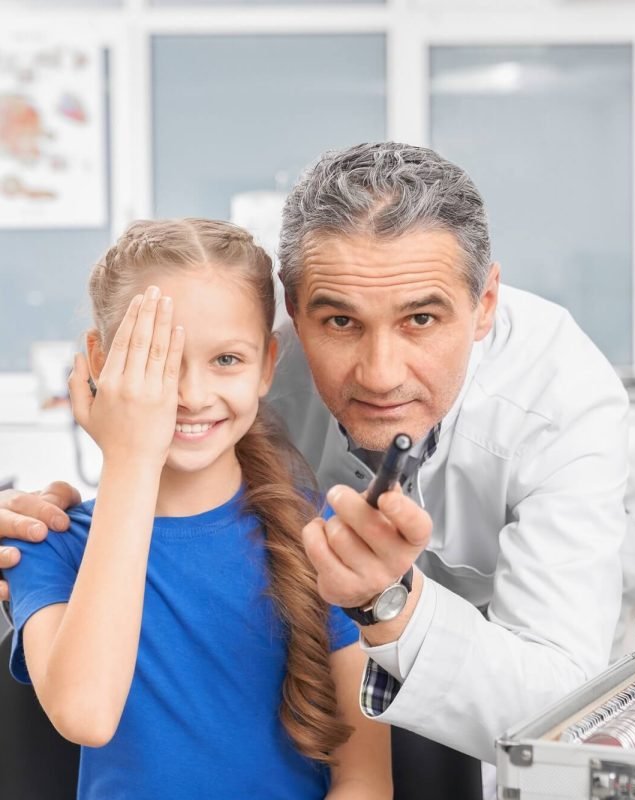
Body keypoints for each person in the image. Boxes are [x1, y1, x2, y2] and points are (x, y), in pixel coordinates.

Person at [0, 143, 635, 770]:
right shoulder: (250, 373)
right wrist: (58, 517)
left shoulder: (560, 399)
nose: (380, 375)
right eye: (340, 322)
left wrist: (385, 602)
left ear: (485, 305)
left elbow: (555, 717)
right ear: (292, 313)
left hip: (516, 676)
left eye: (421, 319)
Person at [0, 219, 391, 799]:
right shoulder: (47, 542)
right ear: (99, 361)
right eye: (157, 361)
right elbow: (86, 714)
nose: (192, 394)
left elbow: (365, 780)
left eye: (226, 360)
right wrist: (131, 457)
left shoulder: (328, 540)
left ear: (267, 365)